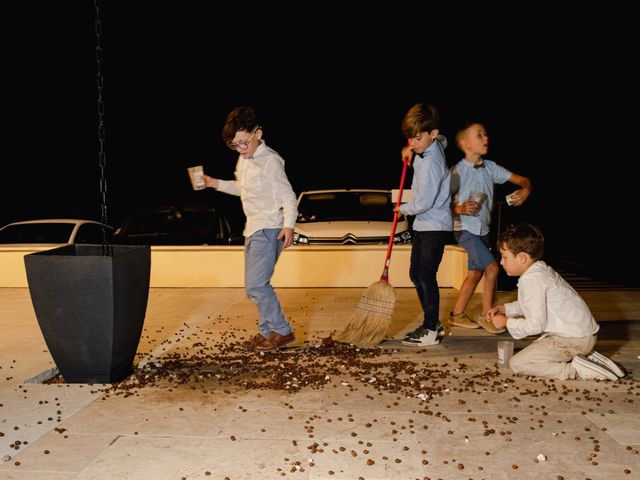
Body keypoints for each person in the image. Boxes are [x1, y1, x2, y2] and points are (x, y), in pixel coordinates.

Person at [202, 106, 298, 351]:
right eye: (235, 145)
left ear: (258, 133)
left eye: (244, 143)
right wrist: (215, 184)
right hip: (253, 229)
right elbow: (244, 189)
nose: (240, 149)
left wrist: (289, 226)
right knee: (253, 287)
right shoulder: (244, 159)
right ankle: (269, 332)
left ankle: (281, 331)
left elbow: (288, 197)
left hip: (269, 229)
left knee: (256, 285)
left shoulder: (270, 161)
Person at [488, 223, 626, 380]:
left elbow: (536, 325)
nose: (501, 262)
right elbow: (530, 304)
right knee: (531, 354)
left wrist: (507, 323)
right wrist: (505, 309)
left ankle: (576, 370)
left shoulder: (532, 280)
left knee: (518, 363)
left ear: (522, 258)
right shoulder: (540, 270)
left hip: (573, 340)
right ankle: (588, 359)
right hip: (582, 335)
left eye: (505, 257)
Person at [448, 121, 532, 334]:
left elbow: (523, 180)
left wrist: (525, 189)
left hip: (483, 230)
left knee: (475, 274)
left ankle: (457, 314)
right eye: (480, 135)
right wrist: (459, 207)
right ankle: (488, 317)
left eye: (486, 134)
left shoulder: (491, 168)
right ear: (466, 144)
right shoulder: (457, 171)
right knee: (492, 268)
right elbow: (441, 204)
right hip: (465, 230)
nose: (486, 138)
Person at [395, 103, 453, 347]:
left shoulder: (430, 164)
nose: (413, 142)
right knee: (415, 274)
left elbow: (424, 202)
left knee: (425, 275)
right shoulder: (433, 145)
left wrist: (402, 209)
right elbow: (444, 141)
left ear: (433, 133)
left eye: (418, 138)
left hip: (433, 225)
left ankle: (431, 328)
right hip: (424, 225)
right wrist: (409, 149)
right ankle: (433, 323)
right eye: (410, 138)